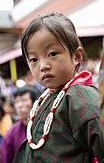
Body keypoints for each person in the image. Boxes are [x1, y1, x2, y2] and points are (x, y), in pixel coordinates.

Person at [13, 12, 104, 163]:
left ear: (76, 56)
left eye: (52, 54)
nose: (43, 66)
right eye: (34, 59)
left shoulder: (80, 97)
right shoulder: (43, 98)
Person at [0, 85, 41, 163]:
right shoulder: (12, 132)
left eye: (24, 100)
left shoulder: (46, 126)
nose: (19, 105)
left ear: (36, 102)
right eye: (17, 102)